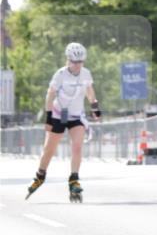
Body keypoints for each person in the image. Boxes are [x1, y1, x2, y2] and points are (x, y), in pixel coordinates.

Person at [25, 42, 102, 202]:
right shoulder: (60, 74)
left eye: (80, 61)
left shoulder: (86, 73)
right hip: (58, 115)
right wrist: (48, 117)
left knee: (77, 147)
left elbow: (89, 90)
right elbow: (50, 94)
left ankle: (74, 180)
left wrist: (95, 106)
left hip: (76, 116)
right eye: (74, 62)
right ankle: (40, 176)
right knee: (49, 149)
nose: (77, 65)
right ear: (68, 60)